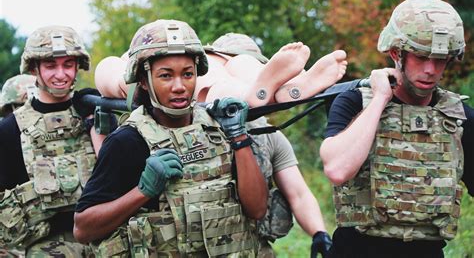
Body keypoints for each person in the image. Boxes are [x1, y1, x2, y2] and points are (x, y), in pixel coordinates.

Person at [74, 19, 268, 257]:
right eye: (166, 76)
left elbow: (257, 209)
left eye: (187, 74)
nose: (179, 86)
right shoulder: (127, 141)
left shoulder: (218, 125)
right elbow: (83, 229)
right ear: (144, 81)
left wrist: (239, 137)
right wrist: (143, 191)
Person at [320, 0, 473, 258]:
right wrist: (380, 99)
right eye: (421, 57)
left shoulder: (458, 117)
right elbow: (337, 169)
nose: (430, 70)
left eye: (440, 60)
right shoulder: (356, 101)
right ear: (396, 53)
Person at [204, 34, 333, 257]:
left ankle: (287, 87)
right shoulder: (192, 130)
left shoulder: (268, 136)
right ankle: (281, 88)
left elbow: (298, 193)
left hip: (251, 249)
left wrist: (319, 233)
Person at [0, 25, 105, 256]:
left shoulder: (95, 112)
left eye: (68, 65)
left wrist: (98, 123)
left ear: (78, 66)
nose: (61, 74)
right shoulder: (9, 130)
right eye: (50, 66)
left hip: (104, 241)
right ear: (34, 68)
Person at [94, 33, 347, 108]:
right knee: (241, 67)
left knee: (109, 69)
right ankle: (289, 85)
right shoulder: (229, 58)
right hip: (231, 60)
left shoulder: (207, 57)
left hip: (149, 63)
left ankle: (268, 88)